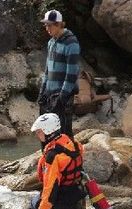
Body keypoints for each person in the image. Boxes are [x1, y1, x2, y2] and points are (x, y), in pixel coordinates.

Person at [37, 9, 80, 137]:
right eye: (46, 25)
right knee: (46, 132)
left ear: (59, 24)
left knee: (64, 133)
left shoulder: (71, 43)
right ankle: (48, 156)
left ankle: (69, 157)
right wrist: (42, 91)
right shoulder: (51, 42)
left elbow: (72, 73)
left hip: (63, 96)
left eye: (50, 25)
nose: (47, 28)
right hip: (49, 94)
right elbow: (47, 70)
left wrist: (62, 97)